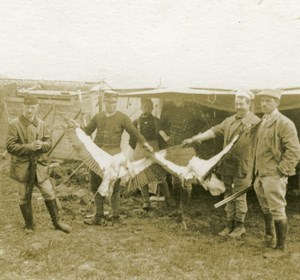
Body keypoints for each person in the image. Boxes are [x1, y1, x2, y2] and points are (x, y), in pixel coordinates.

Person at [183, 90, 260, 237]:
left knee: (239, 196)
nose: (238, 107)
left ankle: (239, 226)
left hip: (243, 165)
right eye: (236, 104)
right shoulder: (229, 120)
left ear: (248, 104)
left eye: (241, 104)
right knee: (228, 195)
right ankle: (229, 224)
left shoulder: (256, 122)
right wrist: (194, 139)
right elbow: (214, 131)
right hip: (227, 165)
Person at [82, 92, 153, 225]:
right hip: (97, 156)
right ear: (104, 102)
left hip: (113, 158)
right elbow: (86, 132)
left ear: (117, 102)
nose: (111, 105)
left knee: (114, 187)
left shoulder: (122, 118)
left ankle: (115, 217)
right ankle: (98, 216)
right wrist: (76, 128)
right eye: (109, 102)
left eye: (114, 102)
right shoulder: (98, 117)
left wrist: (146, 144)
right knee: (95, 185)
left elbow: (134, 132)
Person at [6, 95, 71, 234]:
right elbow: (10, 146)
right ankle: (29, 225)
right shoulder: (14, 124)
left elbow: (49, 143)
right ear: (23, 107)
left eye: (32, 108)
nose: (29, 110)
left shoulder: (42, 124)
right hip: (22, 167)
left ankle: (57, 222)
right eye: (27, 107)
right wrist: (29, 147)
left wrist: (42, 145)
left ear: (37, 108)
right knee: (23, 195)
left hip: (39, 167)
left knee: (48, 192)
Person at [254, 89, 300, 258]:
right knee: (266, 208)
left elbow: (294, 151)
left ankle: (280, 248)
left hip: (274, 174)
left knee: (277, 209)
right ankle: (269, 238)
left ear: (277, 102)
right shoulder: (264, 120)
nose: (264, 103)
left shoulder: (284, 123)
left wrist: (282, 171)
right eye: (262, 101)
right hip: (261, 174)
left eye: (268, 100)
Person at [159, 98, 204, 211]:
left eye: (179, 95)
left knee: (187, 178)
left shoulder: (192, 110)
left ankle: (185, 208)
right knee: (175, 178)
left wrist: (195, 138)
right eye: (175, 95)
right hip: (173, 146)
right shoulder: (169, 111)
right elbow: (159, 126)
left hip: (187, 147)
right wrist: (165, 137)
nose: (177, 97)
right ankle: (178, 206)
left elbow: (204, 125)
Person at [130, 98, 171, 211]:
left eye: (149, 107)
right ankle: (146, 202)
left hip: (153, 148)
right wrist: (138, 149)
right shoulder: (136, 122)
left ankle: (168, 199)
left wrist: (161, 145)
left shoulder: (156, 121)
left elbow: (162, 135)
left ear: (152, 108)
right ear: (141, 108)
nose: (147, 109)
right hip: (140, 149)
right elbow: (132, 139)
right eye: (145, 107)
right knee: (142, 176)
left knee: (160, 175)